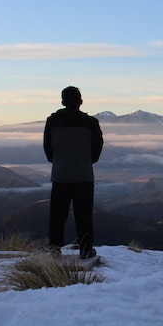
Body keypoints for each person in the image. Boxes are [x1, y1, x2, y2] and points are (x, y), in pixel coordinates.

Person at [44, 86, 103, 259]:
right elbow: (97, 150)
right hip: (83, 176)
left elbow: (48, 149)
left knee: (57, 214)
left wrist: (59, 161)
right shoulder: (91, 123)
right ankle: (85, 249)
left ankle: (54, 249)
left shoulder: (52, 121)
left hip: (60, 175)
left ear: (62, 102)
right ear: (81, 102)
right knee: (83, 214)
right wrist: (84, 161)